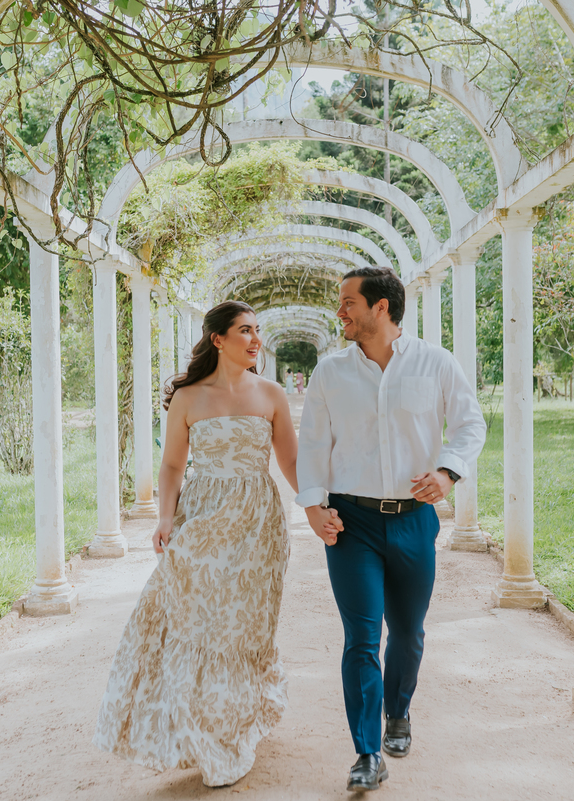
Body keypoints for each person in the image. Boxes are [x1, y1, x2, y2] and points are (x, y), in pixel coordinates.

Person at [296, 267, 486, 792]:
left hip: (413, 520)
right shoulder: (330, 372)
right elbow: (311, 444)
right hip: (349, 522)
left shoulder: (435, 363)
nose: (341, 311)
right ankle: (367, 752)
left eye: (349, 302)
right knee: (360, 638)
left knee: (407, 630)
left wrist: (448, 472)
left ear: (381, 307)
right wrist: (313, 507)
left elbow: (470, 423)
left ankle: (399, 712)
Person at [94, 300, 298, 787]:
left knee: (245, 626)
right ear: (218, 339)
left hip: (257, 521)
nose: (255, 340)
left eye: (257, 331)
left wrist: (318, 507)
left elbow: (291, 462)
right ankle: (201, 734)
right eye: (245, 331)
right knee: (191, 618)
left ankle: (234, 725)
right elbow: (171, 466)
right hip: (202, 517)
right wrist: (166, 517)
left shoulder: (271, 394)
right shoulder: (188, 397)